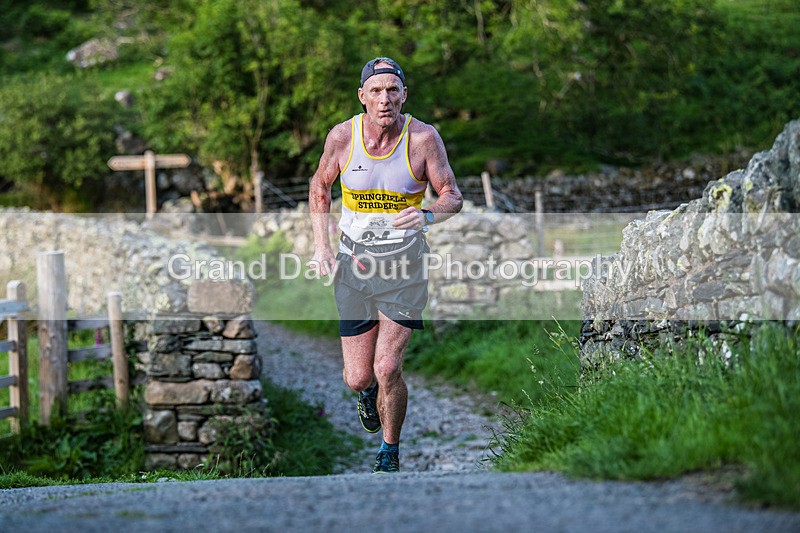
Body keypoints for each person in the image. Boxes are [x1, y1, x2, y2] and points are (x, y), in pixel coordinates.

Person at [308, 57, 463, 473]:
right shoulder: (343, 136)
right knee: (358, 377)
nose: (385, 99)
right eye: (376, 91)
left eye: (393, 90)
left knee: (387, 365)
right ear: (362, 97)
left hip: (405, 265)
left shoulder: (424, 138)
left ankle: (389, 452)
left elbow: (452, 194)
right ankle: (366, 393)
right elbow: (320, 186)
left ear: (404, 95)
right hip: (354, 264)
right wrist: (322, 247)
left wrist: (429, 214)